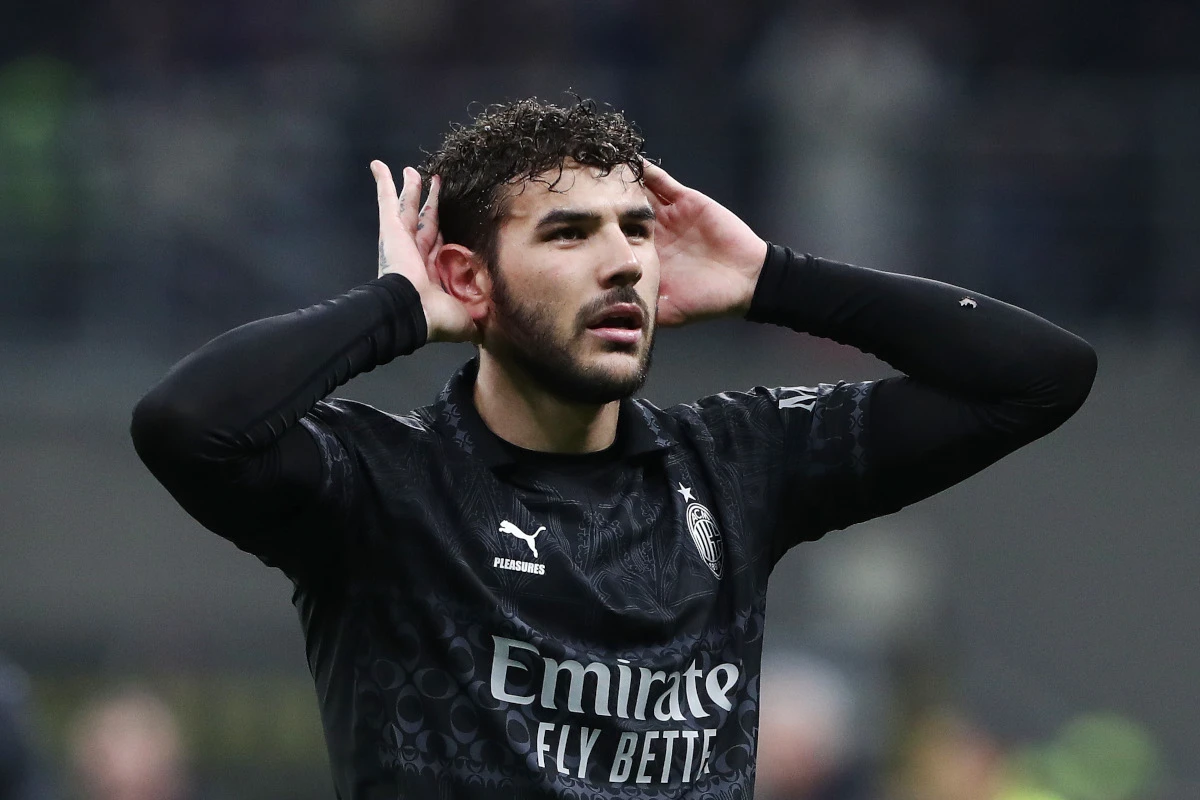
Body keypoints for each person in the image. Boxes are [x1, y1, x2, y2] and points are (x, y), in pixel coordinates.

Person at [130, 98, 1096, 799]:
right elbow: (186, 425)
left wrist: (774, 277)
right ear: (472, 277)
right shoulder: (382, 485)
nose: (624, 259)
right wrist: (396, 309)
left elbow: (1040, 377)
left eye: (635, 228)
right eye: (567, 233)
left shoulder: (738, 463)